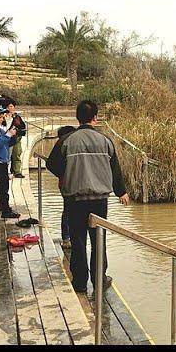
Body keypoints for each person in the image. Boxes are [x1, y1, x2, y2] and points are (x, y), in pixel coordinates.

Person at [46, 100, 130, 293]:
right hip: (99, 201)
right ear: (95, 117)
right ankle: (99, 280)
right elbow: (115, 169)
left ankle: (80, 283)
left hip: (75, 200)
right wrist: (121, 192)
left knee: (78, 241)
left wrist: (67, 173)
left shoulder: (67, 140)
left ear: (77, 117)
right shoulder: (105, 141)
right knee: (99, 241)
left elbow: (52, 164)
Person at [55, 125, 76, 249]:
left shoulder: (61, 147)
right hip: (68, 184)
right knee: (68, 211)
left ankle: (68, 238)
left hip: (66, 183)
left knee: (68, 210)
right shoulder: (64, 147)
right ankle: (67, 238)